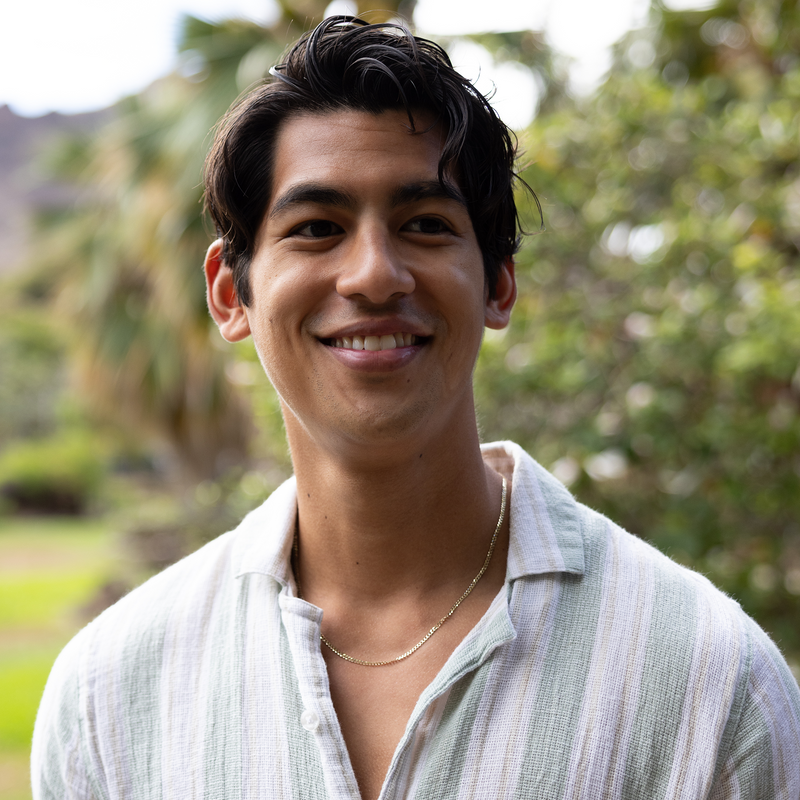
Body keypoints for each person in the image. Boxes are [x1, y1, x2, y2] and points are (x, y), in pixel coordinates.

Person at [32, 16, 800, 800]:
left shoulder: (710, 689)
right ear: (232, 294)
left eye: (426, 225)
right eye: (317, 228)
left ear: (499, 284)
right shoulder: (109, 701)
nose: (373, 274)